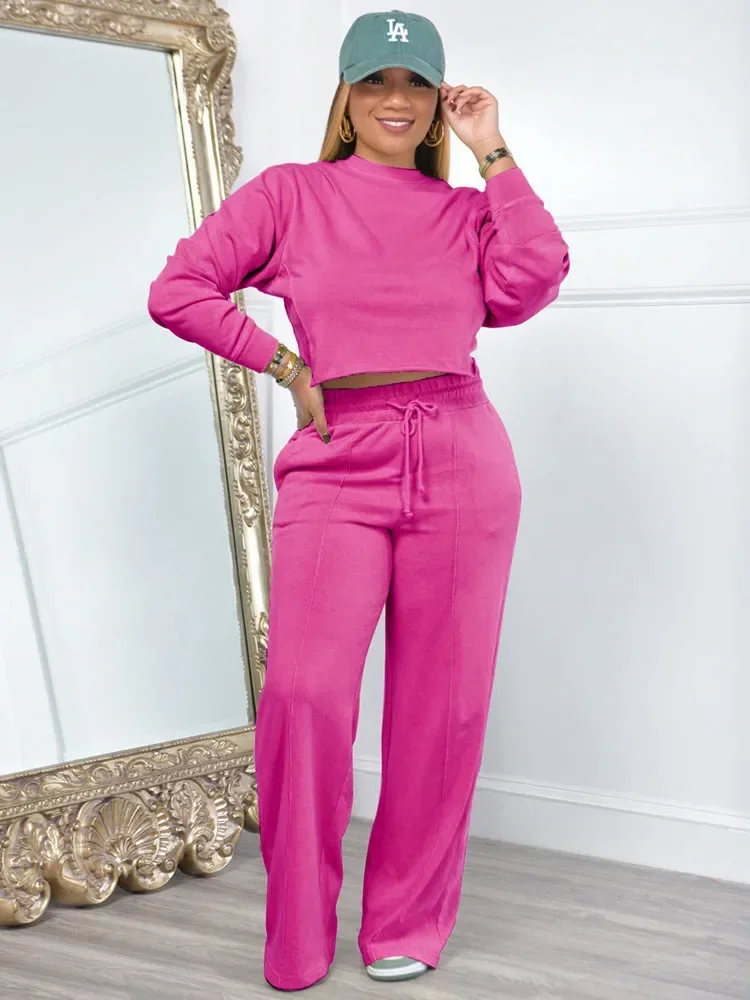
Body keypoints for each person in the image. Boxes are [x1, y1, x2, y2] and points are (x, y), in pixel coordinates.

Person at [148, 8, 570, 992]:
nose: (395, 99)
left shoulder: (465, 212)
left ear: (436, 102)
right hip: (339, 458)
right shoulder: (291, 195)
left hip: (461, 456)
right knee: (303, 695)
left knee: (440, 710)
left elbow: (534, 278)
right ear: (344, 94)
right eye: (376, 80)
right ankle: (296, 935)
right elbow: (181, 288)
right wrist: (284, 362)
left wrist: (492, 148)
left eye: (416, 84)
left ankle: (406, 923)